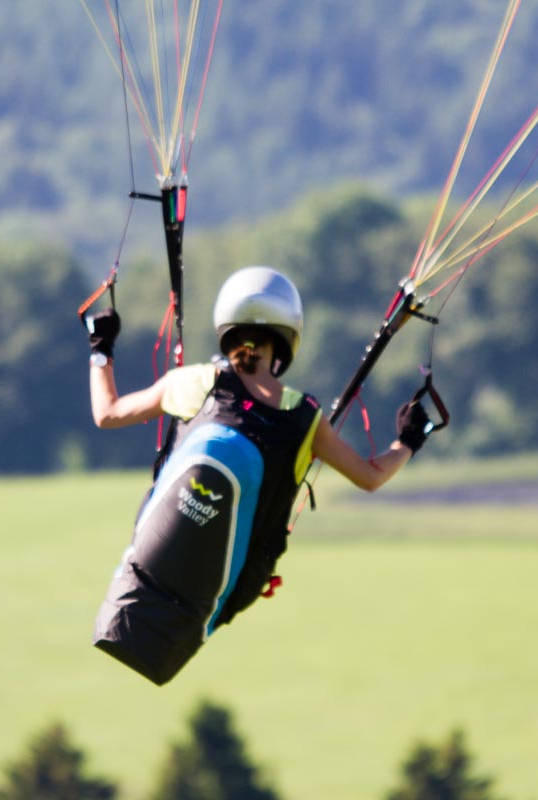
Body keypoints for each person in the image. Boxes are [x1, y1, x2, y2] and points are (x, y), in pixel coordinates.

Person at [85, 266, 438, 685]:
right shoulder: (303, 418)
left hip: (144, 574)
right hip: (217, 597)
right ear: (288, 335)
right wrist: (409, 439)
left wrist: (101, 346)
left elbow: (106, 413)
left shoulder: (192, 382)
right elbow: (370, 476)